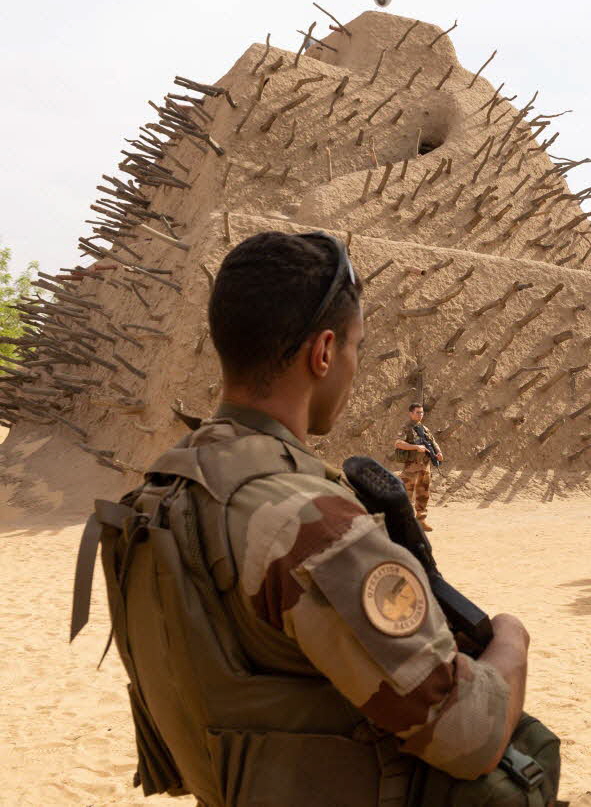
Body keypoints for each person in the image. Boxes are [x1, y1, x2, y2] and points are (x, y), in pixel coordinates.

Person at [77, 231, 543, 802]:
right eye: (355, 347)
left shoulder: (167, 488)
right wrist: (512, 639)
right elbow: (467, 736)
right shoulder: (308, 519)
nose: (353, 365)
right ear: (323, 353)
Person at [394, 402, 443, 531]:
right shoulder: (406, 427)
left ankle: (421, 520)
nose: (420, 414)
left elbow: (433, 442)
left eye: (422, 412)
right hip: (411, 468)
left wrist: (438, 453)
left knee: (423, 494)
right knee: (406, 494)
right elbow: (398, 443)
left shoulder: (424, 429)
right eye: (417, 412)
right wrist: (415, 447)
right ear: (410, 413)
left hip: (425, 467)